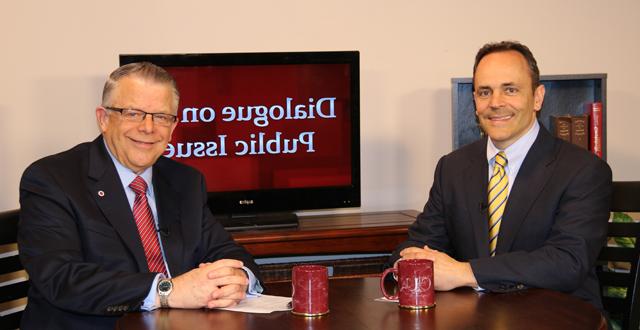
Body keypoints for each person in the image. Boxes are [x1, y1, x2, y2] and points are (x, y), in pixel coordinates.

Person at [18, 62, 263, 329]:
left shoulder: (185, 181)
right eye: (133, 113)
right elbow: (61, 277)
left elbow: (227, 251)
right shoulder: (53, 179)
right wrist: (168, 290)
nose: (148, 127)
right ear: (104, 118)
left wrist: (237, 278)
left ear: (172, 127)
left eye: (161, 116)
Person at [389, 41, 612, 310]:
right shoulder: (452, 168)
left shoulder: (584, 170)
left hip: (558, 316)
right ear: (474, 101)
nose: (496, 103)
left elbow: (568, 261)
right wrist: (408, 261)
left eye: (510, 89)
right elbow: (420, 242)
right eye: (484, 92)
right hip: (476, 318)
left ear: (538, 97)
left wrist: (464, 272)